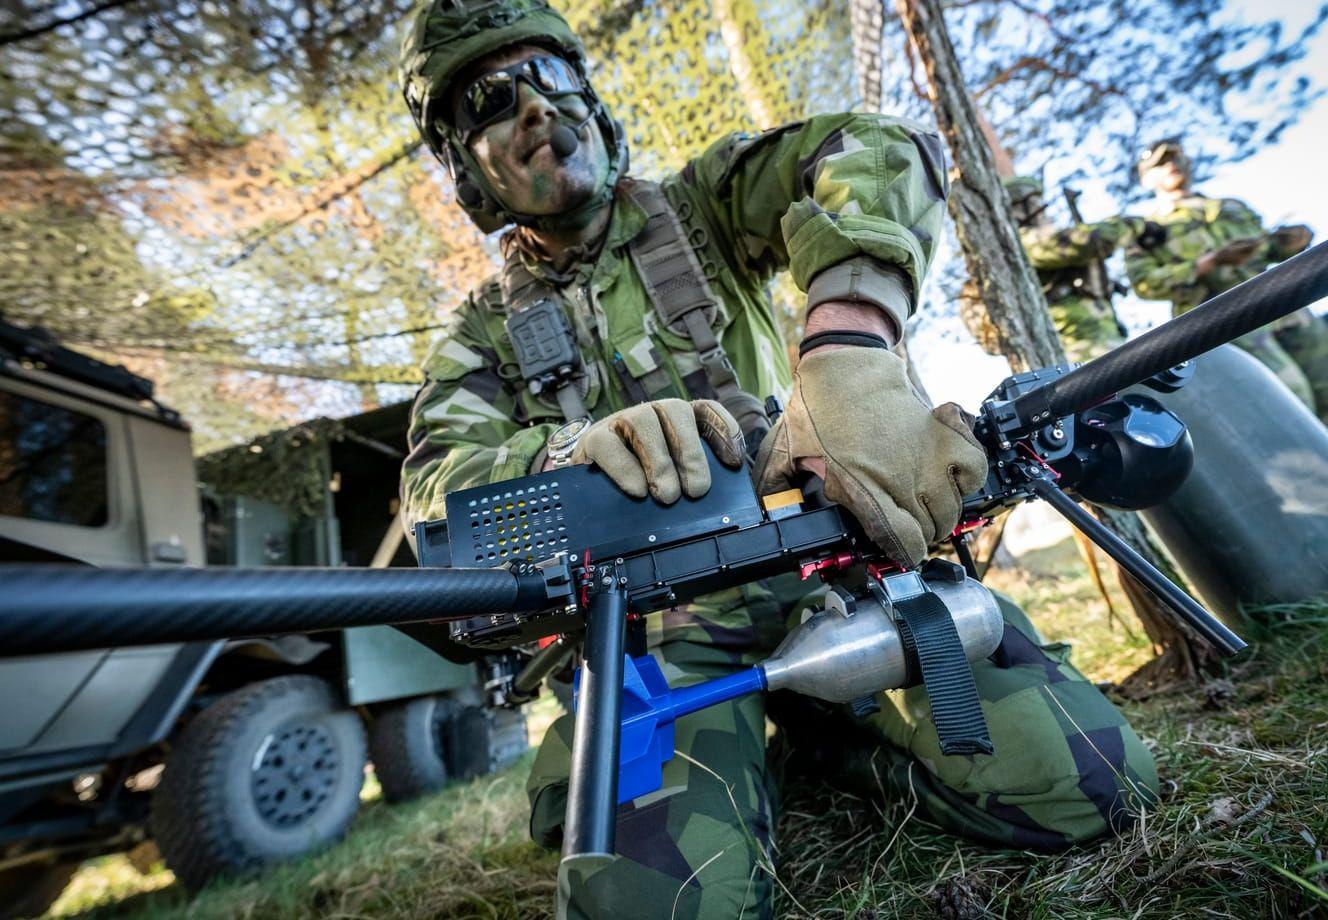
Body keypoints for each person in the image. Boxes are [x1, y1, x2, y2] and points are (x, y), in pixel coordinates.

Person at [395, 2, 1158, 915]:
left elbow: (878, 147)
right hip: (650, 634)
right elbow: (431, 495)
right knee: (662, 908)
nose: (534, 107)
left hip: (828, 563)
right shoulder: (479, 336)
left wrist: (848, 344)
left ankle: (824, 735)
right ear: (461, 161)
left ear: (590, 99)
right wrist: (565, 452)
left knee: (1093, 785)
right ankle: (778, 728)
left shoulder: (702, 207)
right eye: (491, 97)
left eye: (552, 76)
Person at [1126, 139, 1328, 448]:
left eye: (1176, 158)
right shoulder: (1147, 230)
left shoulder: (1229, 207)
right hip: (1225, 320)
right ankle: (1309, 469)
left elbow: (1266, 248)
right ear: (1147, 179)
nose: (1172, 165)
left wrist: (1285, 243)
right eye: (1161, 163)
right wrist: (1209, 263)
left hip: (1281, 303)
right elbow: (1146, 284)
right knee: (1287, 394)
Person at [1005, 176, 1131, 361]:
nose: (1041, 209)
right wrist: (1130, 225)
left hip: (1108, 341)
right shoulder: (1026, 241)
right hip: (1078, 351)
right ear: (1017, 209)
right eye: (1032, 203)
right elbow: (1092, 240)